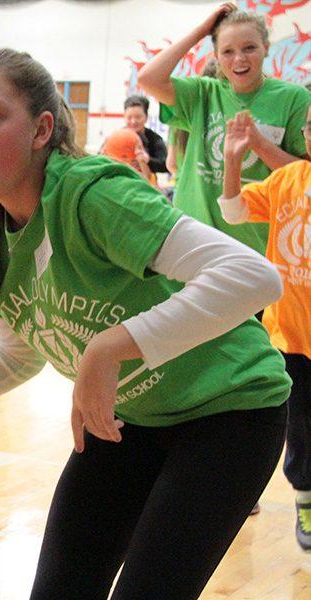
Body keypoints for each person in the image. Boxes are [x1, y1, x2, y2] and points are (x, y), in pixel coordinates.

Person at [0, 48, 290, 599]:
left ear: (42, 130)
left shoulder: (94, 195)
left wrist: (111, 347)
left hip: (230, 414)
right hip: (127, 420)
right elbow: (21, 350)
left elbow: (253, 276)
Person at [138, 3, 310, 255]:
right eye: (227, 51)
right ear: (216, 57)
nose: (239, 59)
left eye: (249, 48)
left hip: (255, 246)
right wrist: (201, 31)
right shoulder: (203, 92)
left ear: (266, 48)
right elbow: (148, 79)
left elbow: (303, 178)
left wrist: (260, 144)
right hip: (194, 242)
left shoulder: (294, 99)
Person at [220, 106, 311, 551]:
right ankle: (307, 500)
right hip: (290, 336)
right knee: (301, 425)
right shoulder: (287, 181)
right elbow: (235, 212)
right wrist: (234, 159)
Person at [123, 94, 168, 174]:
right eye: (129, 117)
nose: (133, 122)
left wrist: (148, 160)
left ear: (146, 117)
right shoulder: (117, 136)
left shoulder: (155, 139)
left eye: (138, 117)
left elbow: (165, 165)